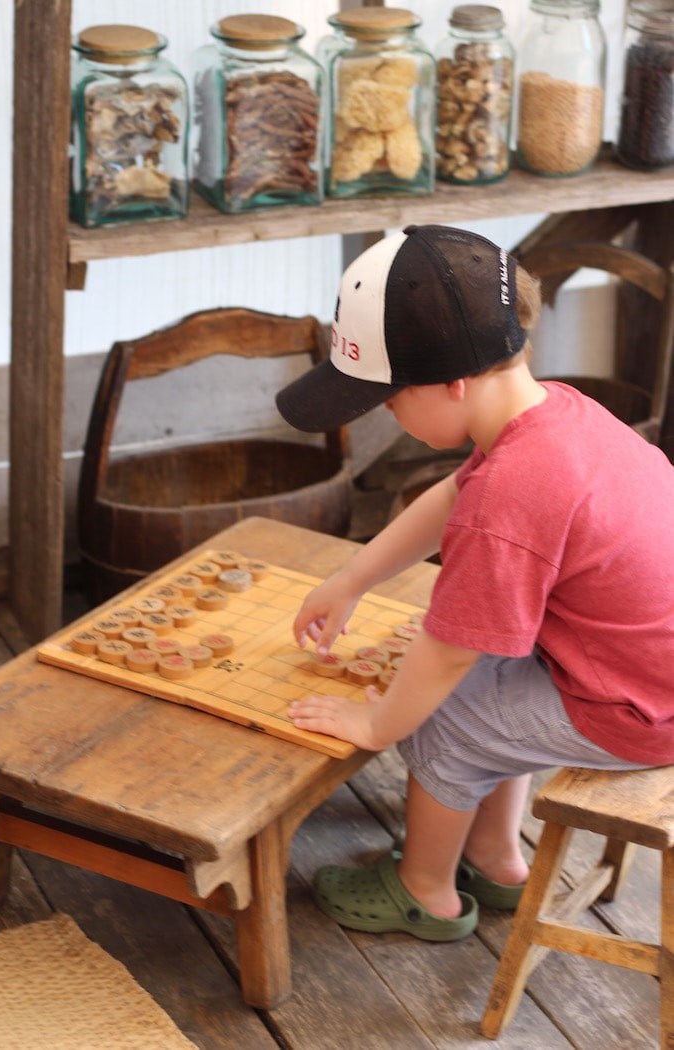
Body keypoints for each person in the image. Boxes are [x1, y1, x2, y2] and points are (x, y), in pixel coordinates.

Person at [274, 223, 674, 942]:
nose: (385, 413)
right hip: (644, 673)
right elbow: (455, 497)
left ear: (453, 383)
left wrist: (377, 721)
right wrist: (353, 576)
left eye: (388, 398)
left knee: (443, 715)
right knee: (482, 680)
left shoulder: (515, 493)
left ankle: (425, 892)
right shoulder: (552, 413)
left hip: (640, 709)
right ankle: (494, 857)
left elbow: (452, 646)